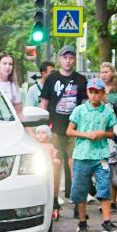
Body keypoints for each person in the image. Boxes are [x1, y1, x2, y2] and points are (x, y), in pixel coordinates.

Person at [67, 80, 117, 232]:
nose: (93, 95)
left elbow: (112, 133)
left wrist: (102, 134)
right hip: (82, 155)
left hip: (101, 156)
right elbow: (70, 131)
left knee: (104, 187)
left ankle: (107, 222)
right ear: (87, 92)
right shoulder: (79, 110)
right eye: (91, 92)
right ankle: (82, 221)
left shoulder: (107, 112)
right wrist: (86, 134)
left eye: (97, 92)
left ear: (102, 93)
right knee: (80, 190)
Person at [40, 48, 89, 200]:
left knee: (74, 162)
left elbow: (85, 105)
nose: (68, 60)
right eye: (65, 57)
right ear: (59, 59)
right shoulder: (51, 78)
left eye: (71, 58)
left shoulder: (81, 80)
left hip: (74, 128)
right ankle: (54, 197)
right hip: (55, 127)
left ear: (74, 60)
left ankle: (74, 194)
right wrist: (42, 126)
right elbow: (44, 104)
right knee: (56, 162)